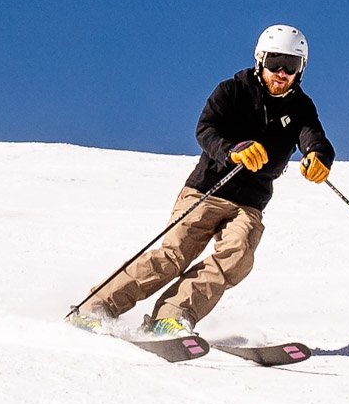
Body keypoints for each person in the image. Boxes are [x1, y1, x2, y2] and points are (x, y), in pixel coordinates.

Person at [71, 24, 335, 335]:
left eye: (291, 66)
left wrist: (319, 155)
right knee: (174, 255)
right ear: (260, 59)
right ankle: (97, 306)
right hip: (207, 190)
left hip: (249, 204)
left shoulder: (300, 107)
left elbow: (314, 136)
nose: (281, 73)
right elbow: (206, 129)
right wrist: (233, 151)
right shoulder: (233, 90)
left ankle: (171, 316)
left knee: (236, 257)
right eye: (275, 62)